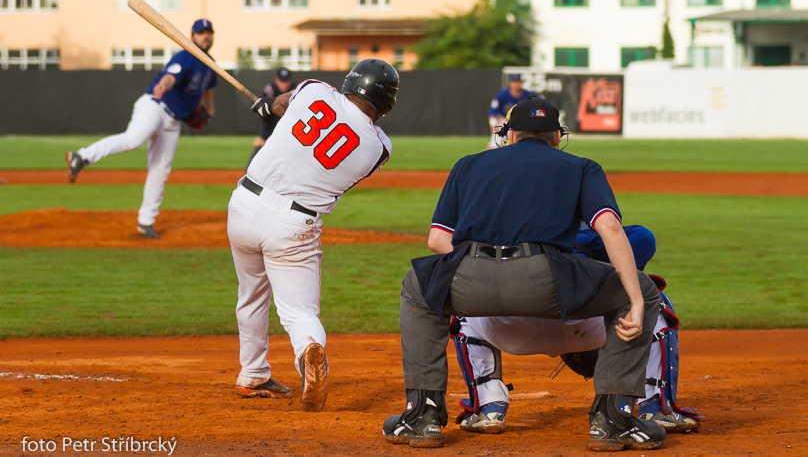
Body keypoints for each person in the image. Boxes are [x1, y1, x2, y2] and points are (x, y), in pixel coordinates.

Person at [382, 95, 667, 451]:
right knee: (640, 290)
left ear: (509, 134)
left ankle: (422, 416)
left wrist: (480, 266)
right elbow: (609, 227)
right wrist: (636, 301)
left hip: (471, 279)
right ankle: (614, 419)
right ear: (558, 137)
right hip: (546, 281)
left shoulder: (468, 164)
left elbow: (437, 239)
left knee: (417, 288)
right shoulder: (580, 166)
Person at [228, 59, 399, 412]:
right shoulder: (379, 147)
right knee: (299, 312)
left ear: (350, 82)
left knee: (251, 296)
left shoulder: (315, 89)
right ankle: (307, 348)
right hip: (294, 224)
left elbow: (280, 103)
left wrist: (268, 107)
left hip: (244, 203)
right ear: (386, 105)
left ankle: (253, 373)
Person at [451, 224, 702, 436]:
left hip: (512, 332)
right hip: (586, 327)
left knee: (464, 301)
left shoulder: (494, 227)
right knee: (651, 299)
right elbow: (642, 239)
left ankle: (488, 406)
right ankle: (656, 406)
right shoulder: (585, 226)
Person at [65, 18, 218, 239]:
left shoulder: (210, 64)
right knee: (132, 140)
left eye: (209, 32)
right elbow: (169, 77)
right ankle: (82, 156)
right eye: (201, 32)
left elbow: (208, 90)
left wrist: (210, 110)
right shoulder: (186, 56)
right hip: (155, 106)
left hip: (174, 121)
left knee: (161, 169)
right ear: (192, 36)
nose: (206, 36)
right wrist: (162, 86)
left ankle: (146, 221)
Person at [245, 66, 298, 168]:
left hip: (291, 131)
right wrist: (265, 136)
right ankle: (248, 174)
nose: (284, 84)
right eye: (281, 81)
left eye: (286, 81)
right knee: (259, 145)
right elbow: (265, 115)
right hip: (271, 127)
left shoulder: (295, 91)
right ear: (276, 80)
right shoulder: (269, 91)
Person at [486, 73, 534, 150]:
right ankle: (487, 160)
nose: (515, 84)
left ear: (521, 82)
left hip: (524, 123)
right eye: (513, 82)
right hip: (505, 123)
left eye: (517, 82)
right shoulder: (502, 95)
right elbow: (493, 111)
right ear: (510, 83)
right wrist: (493, 124)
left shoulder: (529, 95)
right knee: (493, 146)